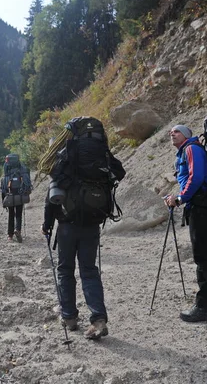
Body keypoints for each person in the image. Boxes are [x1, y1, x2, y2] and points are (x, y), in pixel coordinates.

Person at [40, 117, 125, 340]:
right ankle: (98, 319)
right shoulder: (101, 154)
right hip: (93, 222)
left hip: (67, 224)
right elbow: (120, 172)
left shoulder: (66, 157)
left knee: (65, 270)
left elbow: (52, 194)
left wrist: (47, 225)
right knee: (89, 270)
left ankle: (69, 317)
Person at [164, 124, 207, 322]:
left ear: (187, 135)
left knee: (203, 256)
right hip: (206, 206)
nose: (172, 133)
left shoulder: (192, 149)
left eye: (177, 131)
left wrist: (180, 199)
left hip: (202, 206)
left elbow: (196, 177)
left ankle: (204, 307)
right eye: (171, 132)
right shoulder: (190, 150)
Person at [0, 154, 31, 243]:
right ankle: (18, 230)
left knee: (11, 213)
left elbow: (3, 186)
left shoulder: (7, 171)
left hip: (10, 193)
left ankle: (10, 235)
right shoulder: (21, 169)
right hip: (20, 193)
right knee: (19, 213)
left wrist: (3, 199)